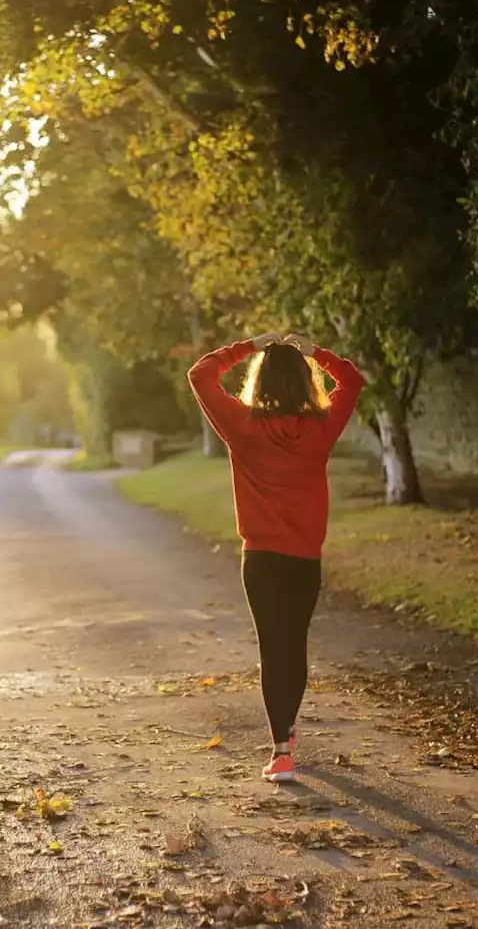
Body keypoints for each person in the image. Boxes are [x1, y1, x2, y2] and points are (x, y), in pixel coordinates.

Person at [188, 331, 365, 782]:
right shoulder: (321, 428)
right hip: (304, 559)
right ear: (305, 383)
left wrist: (249, 346)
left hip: (262, 560)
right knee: (295, 645)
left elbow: (201, 374)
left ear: (260, 381)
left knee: (273, 649)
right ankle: (287, 729)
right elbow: (353, 380)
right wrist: (315, 352)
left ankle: (282, 750)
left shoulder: (242, 425)